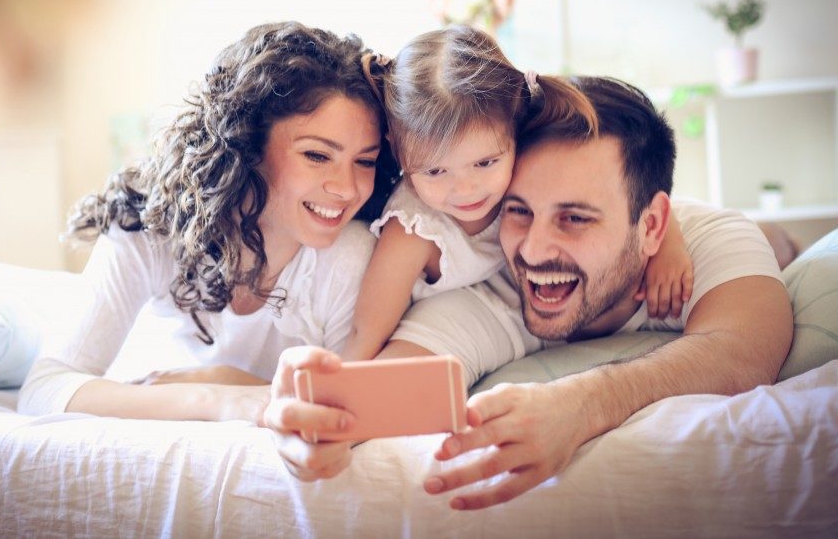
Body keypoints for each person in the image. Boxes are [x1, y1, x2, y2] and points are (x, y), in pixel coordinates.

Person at [265, 76, 794, 508]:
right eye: (516, 211)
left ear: (653, 224)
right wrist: (308, 425)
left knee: (779, 246)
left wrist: (580, 405)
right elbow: (378, 391)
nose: (534, 249)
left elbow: (743, 352)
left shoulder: (707, 238)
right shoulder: (489, 289)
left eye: (575, 218)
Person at [17, 21, 399, 422]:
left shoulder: (352, 254)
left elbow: (344, 405)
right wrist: (214, 399)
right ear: (248, 144)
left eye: (365, 161)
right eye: (317, 156)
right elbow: (44, 390)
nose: (346, 188)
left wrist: (227, 379)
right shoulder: (148, 229)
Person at [342, 27, 692, 361]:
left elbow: (641, 200)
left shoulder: (518, 168)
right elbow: (365, 331)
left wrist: (667, 250)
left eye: (484, 162)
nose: (465, 190)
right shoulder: (414, 231)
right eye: (434, 171)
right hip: (405, 324)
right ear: (400, 154)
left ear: (515, 130)